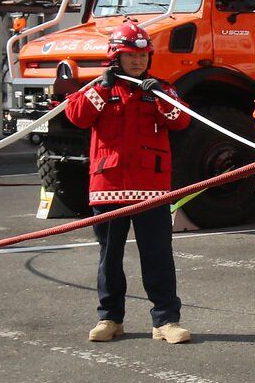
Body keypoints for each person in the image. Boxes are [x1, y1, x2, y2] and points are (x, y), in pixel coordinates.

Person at [64, 21, 192, 344]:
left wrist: (162, 98)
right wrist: (103, 88)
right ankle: (109, 318)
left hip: (152, 188)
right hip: (108, 187)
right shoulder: (99, 88)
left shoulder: (162, 88)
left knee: (158, 254)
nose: (137, 61)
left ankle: (165, 321)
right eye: (129, 55)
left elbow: (183, 120)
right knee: (109, 257)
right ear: (115, 56)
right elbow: (76, 116)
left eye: (142, 55)